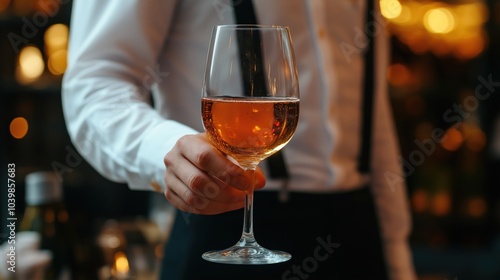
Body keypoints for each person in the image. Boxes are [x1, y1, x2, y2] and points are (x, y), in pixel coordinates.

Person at [62, 0, 417, 279]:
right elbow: (95, 83)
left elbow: (373, 112)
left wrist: (397, 259)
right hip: (219, 226)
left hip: (358, 235)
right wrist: (168, 149)